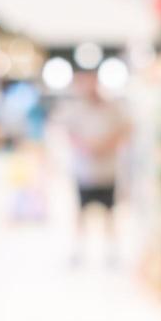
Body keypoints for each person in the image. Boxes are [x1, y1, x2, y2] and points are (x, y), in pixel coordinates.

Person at [55, 71, 130, 265]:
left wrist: (106, 145)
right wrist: (85, 146)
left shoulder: (113, 108)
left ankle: (112, 252)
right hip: (84, 172)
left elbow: (125, 130)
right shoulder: (75, 109)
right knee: (80, 213)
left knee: (109, 214)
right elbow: (67, 132)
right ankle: (78, 251)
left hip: (107, 171)